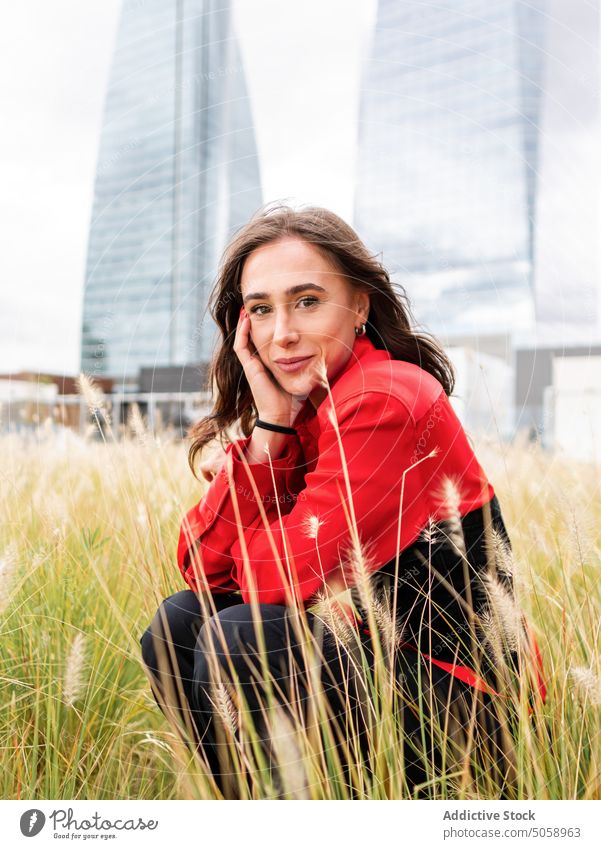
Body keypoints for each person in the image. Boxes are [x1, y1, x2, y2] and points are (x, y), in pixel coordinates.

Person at [140, 203, 547, 799]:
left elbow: (286, 575)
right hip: (387, 673)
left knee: (242, 637)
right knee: (178, 623)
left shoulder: (386, 399)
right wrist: (270, 430)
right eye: (260, 309)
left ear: (359, 304)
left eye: (306, 301)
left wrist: (255, 472)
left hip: (471, 712)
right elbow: (206, 573)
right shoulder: (304, 412)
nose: (282, 333)